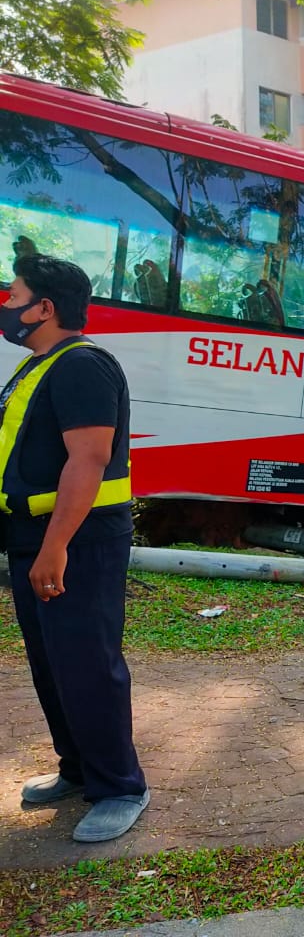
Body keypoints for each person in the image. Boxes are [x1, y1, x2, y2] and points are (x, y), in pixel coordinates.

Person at [1, 254, 148, 842]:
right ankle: (78, 769)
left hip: (78, 539)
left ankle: (120, 786)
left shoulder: (83, 367)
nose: (6, 307)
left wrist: (55, 546)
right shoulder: (39, 366)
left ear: (45, 308)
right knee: (50, 663)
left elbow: (87, 461)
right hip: (34, 533)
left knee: (87, 664)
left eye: (13, 296)